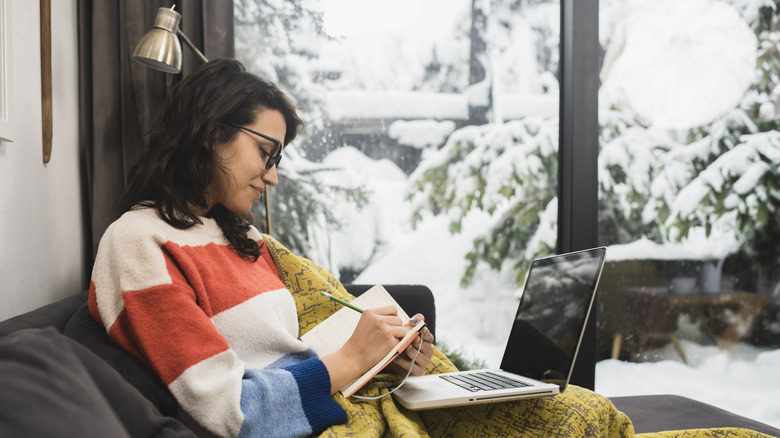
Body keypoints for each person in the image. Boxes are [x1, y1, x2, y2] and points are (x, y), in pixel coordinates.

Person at [90, 59, 633, 438]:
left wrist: (386, 355)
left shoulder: (239, 237)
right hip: (327, 421)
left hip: (346, 399)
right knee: (571, 421)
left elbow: (290, 349)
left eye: (278, 159)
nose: (272, 176)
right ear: (210, 133)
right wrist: (352, 357)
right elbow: (235, 413)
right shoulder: (139, 243)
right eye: (265, 152)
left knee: (578, 411)